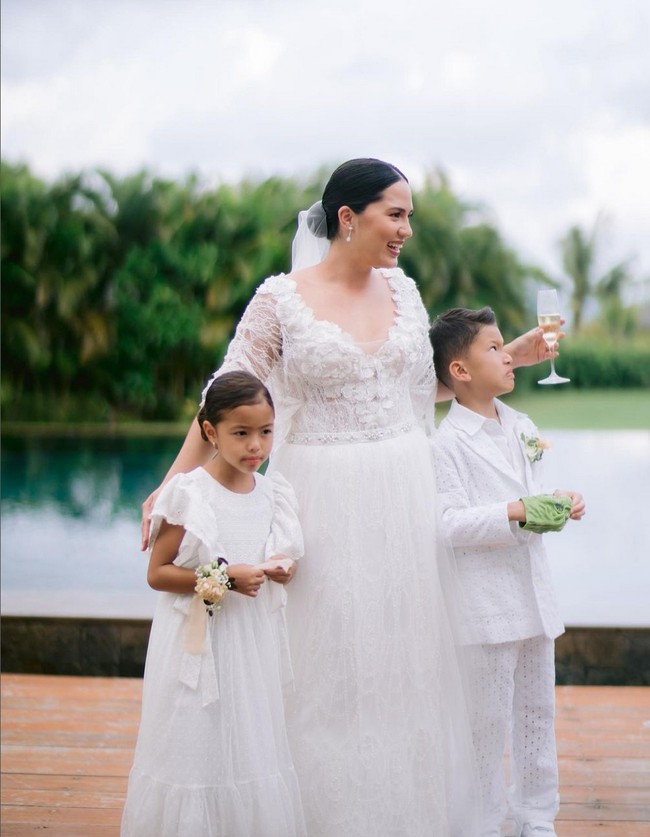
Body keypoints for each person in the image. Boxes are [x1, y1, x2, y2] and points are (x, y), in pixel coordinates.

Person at [141, 158, 561, 837]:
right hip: (322, 499)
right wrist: (173, 484)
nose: (407, 229)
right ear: (347, 217)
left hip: (405, 493)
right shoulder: (280, 299)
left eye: (409, 215)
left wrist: (510, 354)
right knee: (323, 670)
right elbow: (221, 398)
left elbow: (418, 388)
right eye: (396, 213)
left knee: (407, 669)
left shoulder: (407, 292)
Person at [122, 371, 307, 837]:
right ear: (210, 433)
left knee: (245, 744)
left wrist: (281, 568)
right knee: (195, 742)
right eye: (240, 434)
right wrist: (222, 577)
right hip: (197, 644)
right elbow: (158, 575)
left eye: (265, 432)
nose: (255, 447)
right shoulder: (189, 494)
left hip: (249, 644)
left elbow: (275, 559)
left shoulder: (272, 493)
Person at [429, 307, 586, 837]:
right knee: (485, 724)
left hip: (534, 598)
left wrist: (558, 500)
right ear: (461, 371)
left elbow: (533, 495)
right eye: (494, 348)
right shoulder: (445, 444)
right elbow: (447, 526)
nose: (509, 354)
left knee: (538, 716)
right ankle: (480, 820)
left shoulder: (522, 425)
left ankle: (537, 816)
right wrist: (516, 511)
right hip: (485, 606)